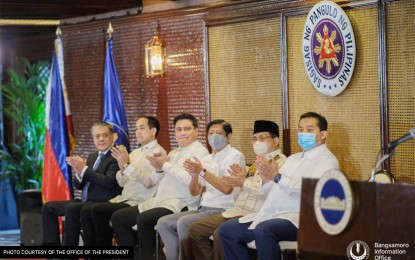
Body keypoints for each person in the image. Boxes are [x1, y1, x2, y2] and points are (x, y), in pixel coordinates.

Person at [218, 112, 339, 260]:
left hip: (301, 219)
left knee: (265, 230)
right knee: (227, 230)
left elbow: (310, 191)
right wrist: (265, 178)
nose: (303, 134)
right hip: (274, 214)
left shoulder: (327, 161)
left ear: (323, 134)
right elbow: (275, 188)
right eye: (300, 130)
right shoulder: (293, 159)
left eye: (309, 130)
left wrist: (277, 176)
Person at [111, 113, 209, 259]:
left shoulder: (200, 152)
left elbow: (189, 179)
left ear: (196, 131)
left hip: (179, 202)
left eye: (187, 129)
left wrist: (165, 165)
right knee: (119, 217)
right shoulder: (174, 152)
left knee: (144, 219)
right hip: (158, 200)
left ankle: (148, 256)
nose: (182, 133)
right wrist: (158, 168)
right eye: (178, 129)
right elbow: (155, 179)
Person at [187, 120, 287, 260]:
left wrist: (243, 182)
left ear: (276, 141)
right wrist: (238, 184)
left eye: (262, 138)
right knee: (194, 229)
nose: (257, 142)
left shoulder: (282, 163)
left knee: (220, 233)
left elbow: (272, 193)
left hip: (258, 213)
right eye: (255, 139)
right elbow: (237, 197)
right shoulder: (254, 166)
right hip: (237, 210)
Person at [157, 119, 246, 260]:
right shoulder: (208, 159)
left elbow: (227, 189)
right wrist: (193, 176)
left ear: (229, 136)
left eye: (219, 133)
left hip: (224, 209)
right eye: (211, 133)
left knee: (184, 222)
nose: (214, 137)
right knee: (164, 222)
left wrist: (202, 171)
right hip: (204, 208)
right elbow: (195, 192)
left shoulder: (235, 156)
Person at [88, 116, 165, 246]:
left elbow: (149, 182)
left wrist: (128, 166)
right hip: (125, 198)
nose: (137, 132)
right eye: (135, 128)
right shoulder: (134, 153)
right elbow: (122, 182)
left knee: (98, 210)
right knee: (91, 210)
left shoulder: (159, 153)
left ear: (153, 131)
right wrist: (122, 167)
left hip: (140, 201)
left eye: (142, 128)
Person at [41, 121, 121, 246]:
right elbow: (79, 186)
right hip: (85, 201)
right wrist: (78, 173)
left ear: (112, 137)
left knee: (72, 208)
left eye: (105, 135)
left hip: (102, 203)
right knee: (48, 207)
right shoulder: (92, 156)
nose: (101, 139)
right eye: (97, 136)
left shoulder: (116, 156)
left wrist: (84, 169)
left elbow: (108, 182)